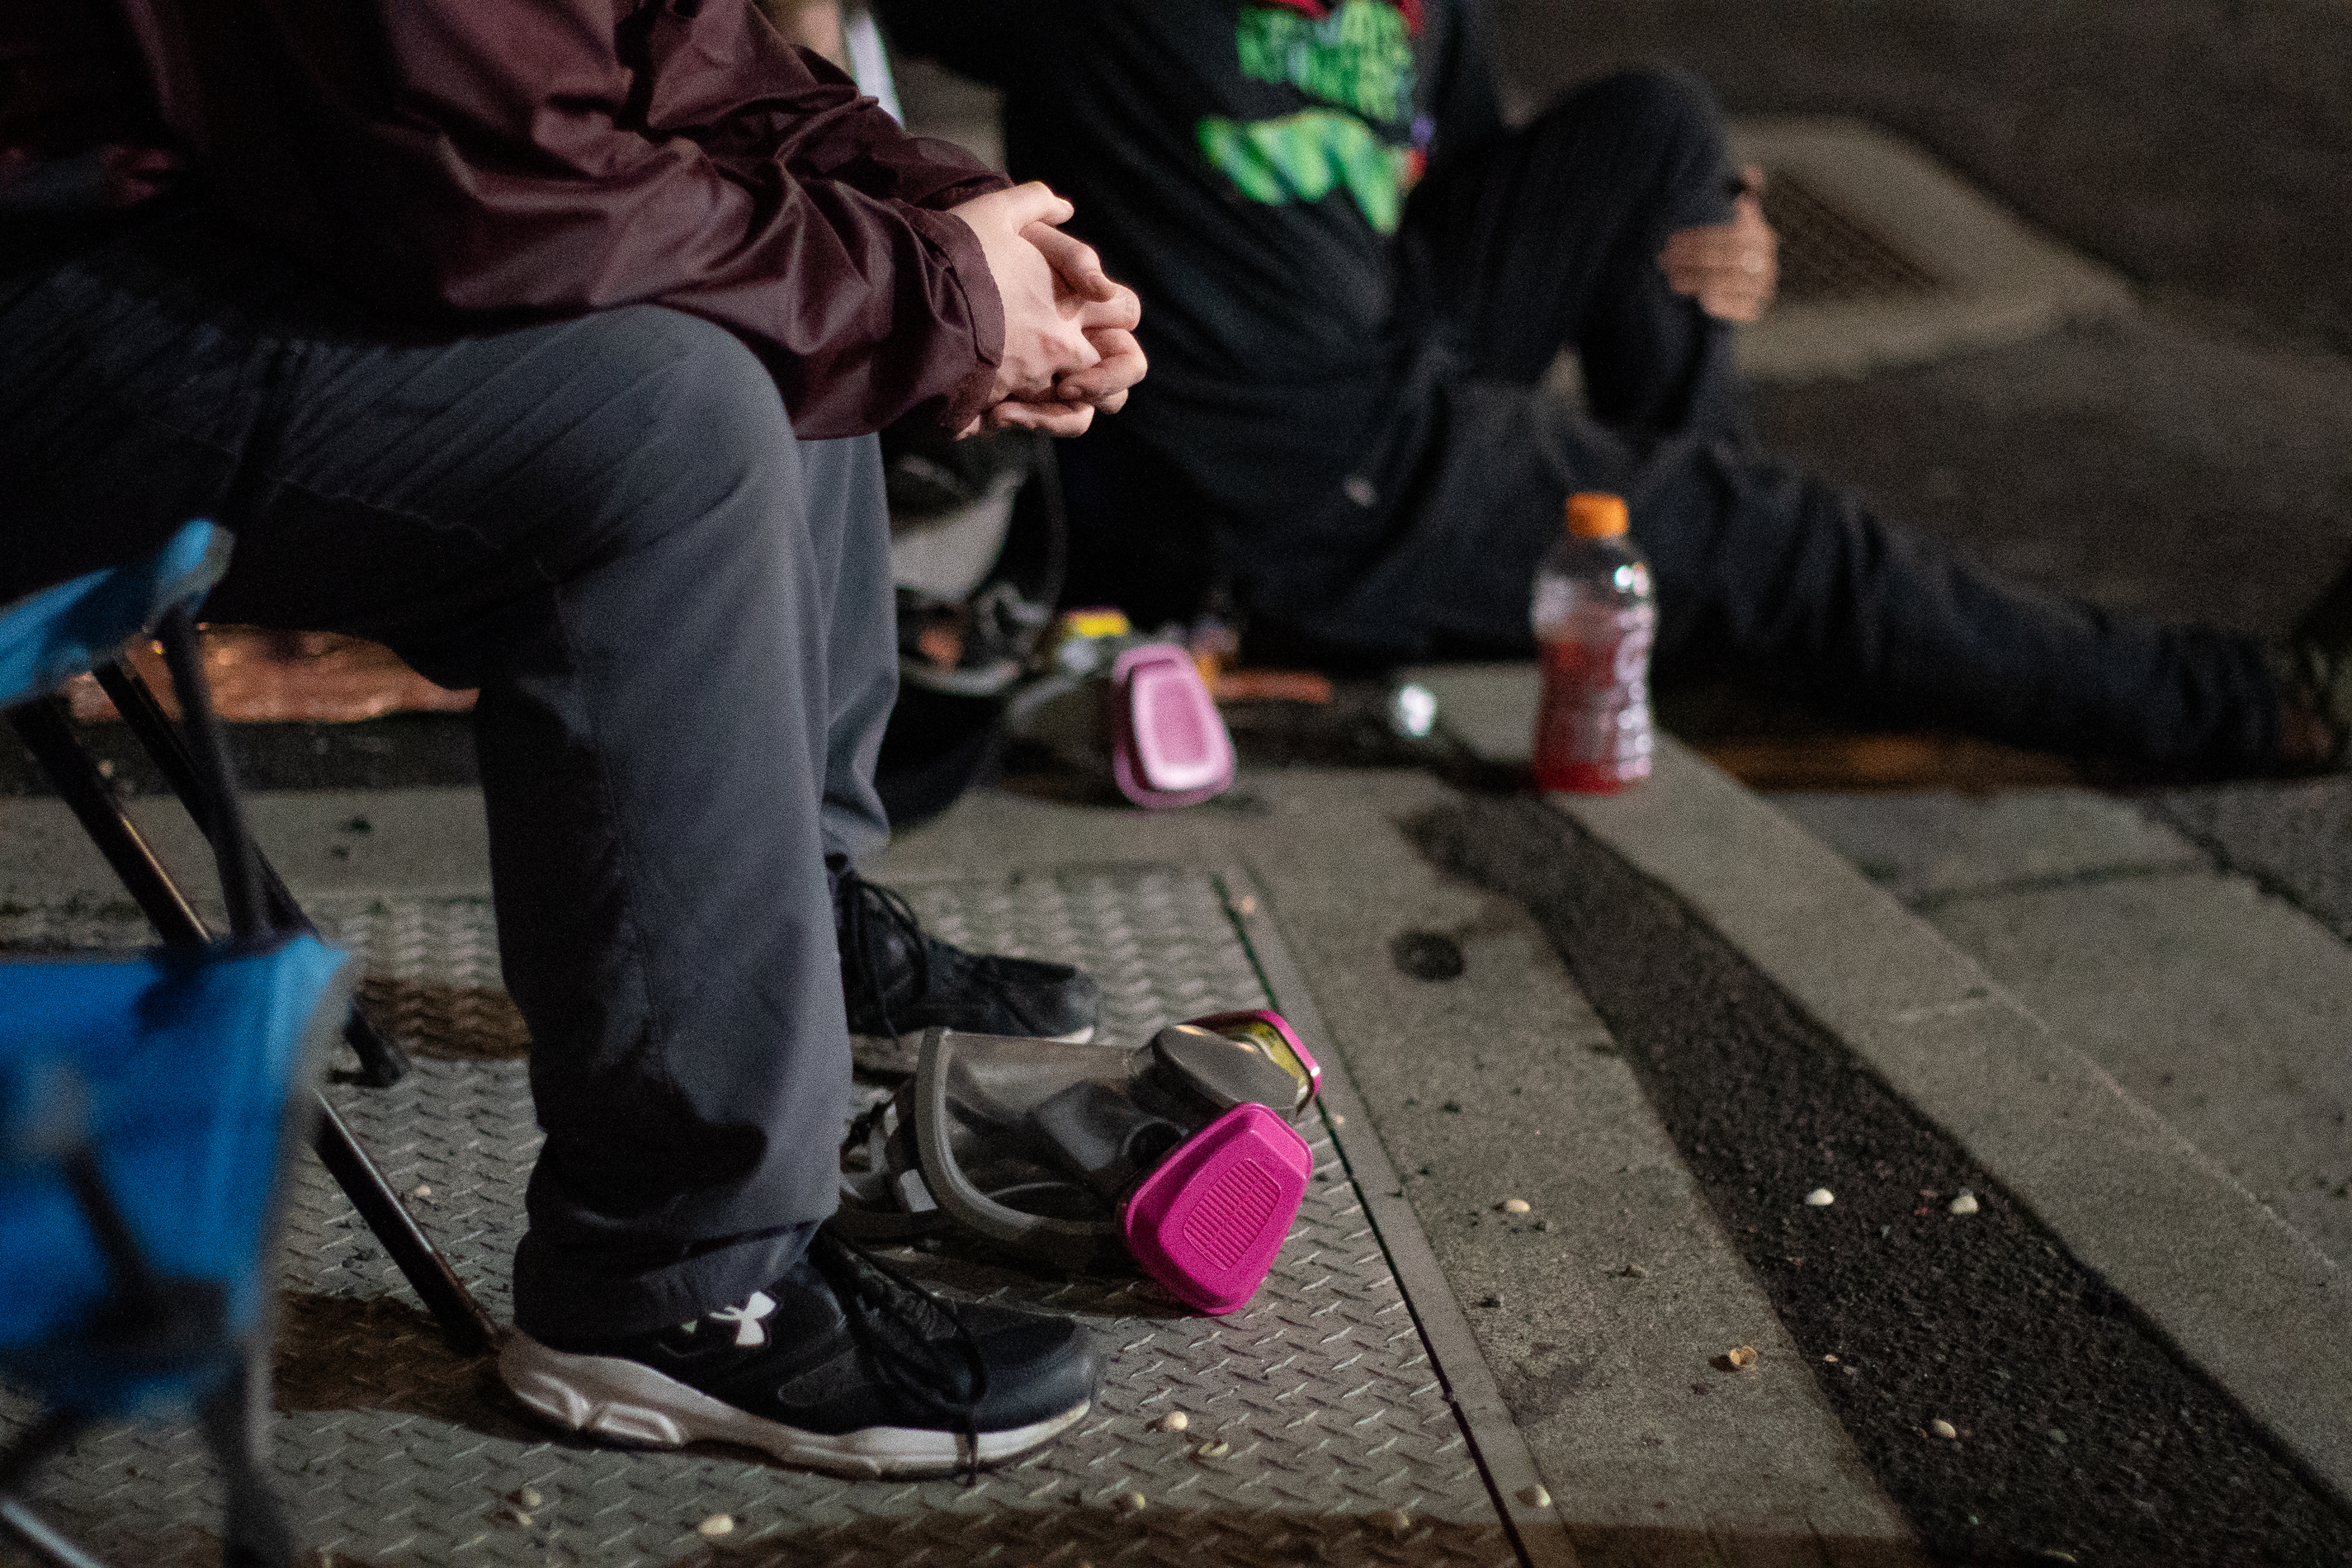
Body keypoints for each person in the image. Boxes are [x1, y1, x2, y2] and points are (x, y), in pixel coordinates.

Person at [0, 0, 1148, 1475]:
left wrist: (929, 210)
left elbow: (669, 55)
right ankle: (681, 1280)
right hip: (58, 277)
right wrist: (936, 289)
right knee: (672, 417)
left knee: (807, 294)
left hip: (227, 212)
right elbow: (476, 181)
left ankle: (778, 924)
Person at [876, 0, 2352, 776]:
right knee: (1788, 541)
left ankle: (1705, 617)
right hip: (1269, 476)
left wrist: (1713, 242)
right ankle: (2259, 709)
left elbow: (1462, 184)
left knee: (1658, 134)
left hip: (1392, 349)